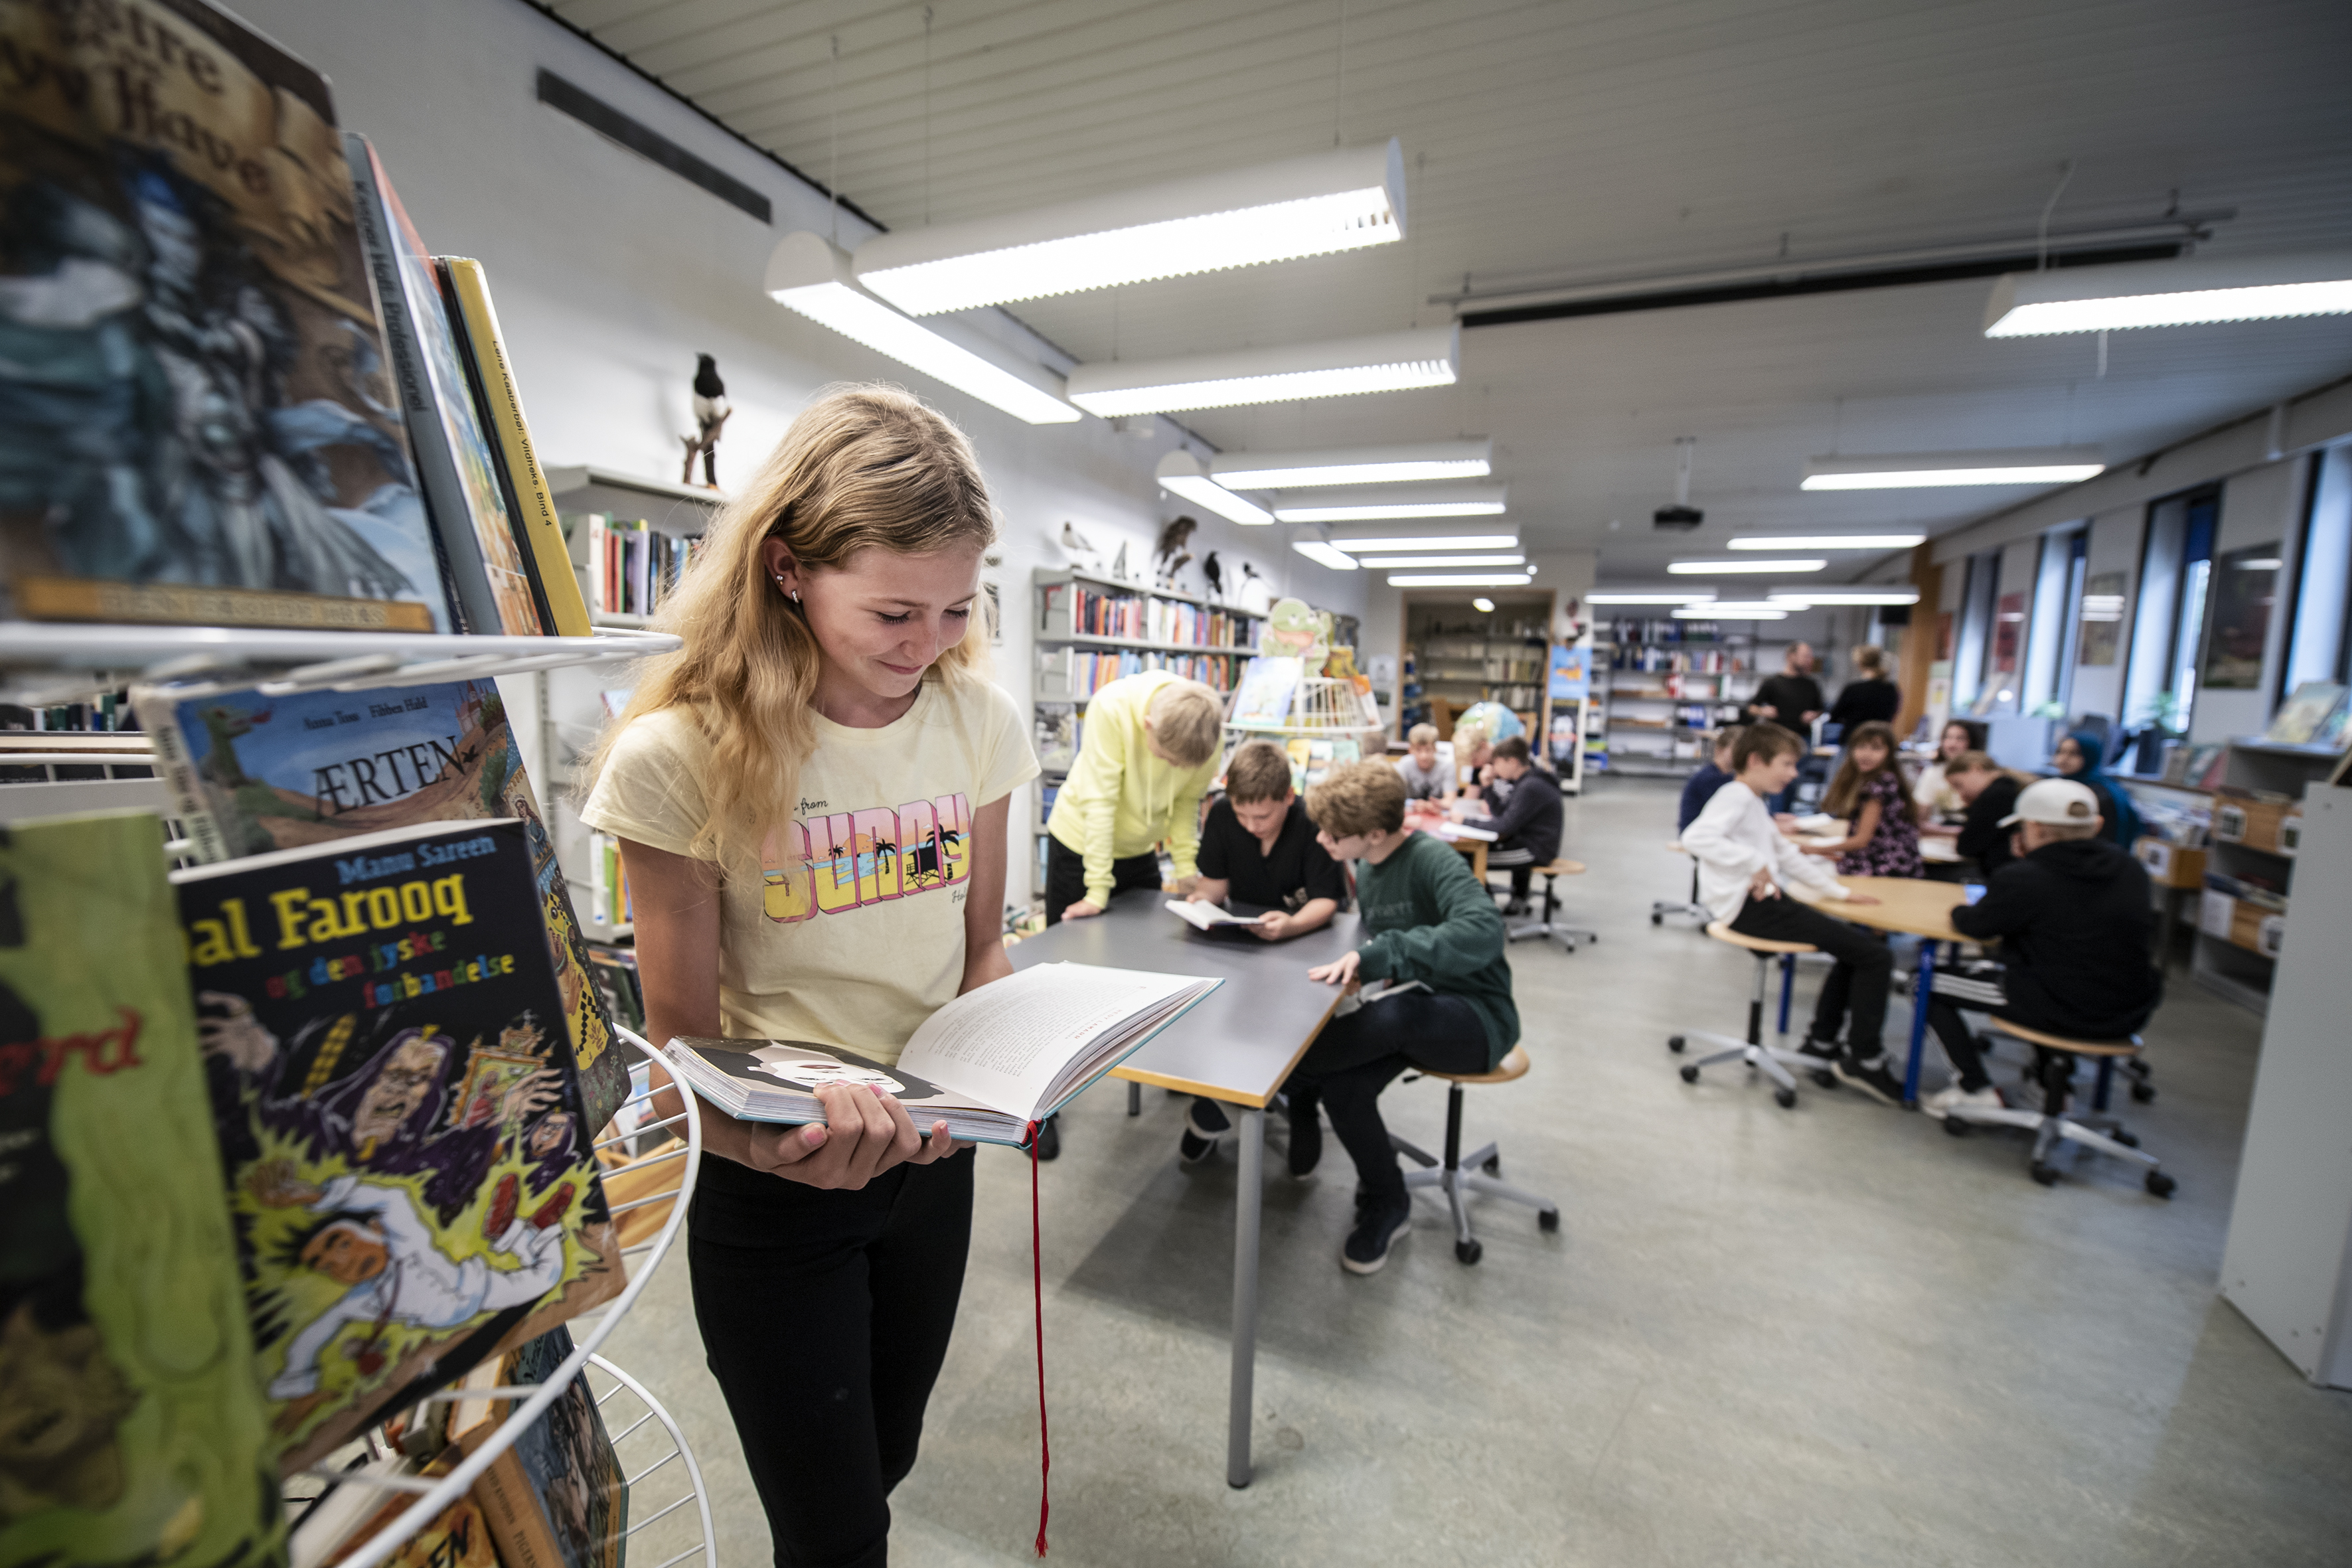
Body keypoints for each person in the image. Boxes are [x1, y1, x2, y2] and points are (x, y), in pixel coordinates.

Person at [579, 385, 1033, 1568]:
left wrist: (1018, 1060)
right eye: (892, 611)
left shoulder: (976, 720)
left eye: (956, 608)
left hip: (931, 1161)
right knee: (832, 1533)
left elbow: (981, 944)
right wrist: (768, 1145)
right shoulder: (680, 754)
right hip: (775, 1183)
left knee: (884, 1459)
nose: (927, 644)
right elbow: (682, 1042)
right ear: (787, 569)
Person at [1287, 761, 1516, 1275]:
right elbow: (1389, 951)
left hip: (1478, 1020)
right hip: (1415, 1007)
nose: (1320, 839)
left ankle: (1282, 1078)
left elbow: (1483, 932)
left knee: (1395, 1015)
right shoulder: (1366, 867)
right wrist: (1367, 971)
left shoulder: (1431, 859)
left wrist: (1384, 958)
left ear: (1373, 833)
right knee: (1343, 1088)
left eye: (1332, 834)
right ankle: (1389, 1201)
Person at [1036, 667, 1224, 1157]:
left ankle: (1166, 1066)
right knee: (1060, 980)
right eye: (1164, 757)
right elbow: (1100, 803)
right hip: (1081, 844)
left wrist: (1188, 873)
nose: (1169, 767)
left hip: (1139, 849)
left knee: (1154, 965)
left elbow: (1185, 807)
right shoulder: (1113, 707)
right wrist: (1097, 890)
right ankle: (1040, 1111)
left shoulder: (1206, 734)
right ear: (1148, 727)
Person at [1682, 724, 1903, 1102]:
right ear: (1756, 761)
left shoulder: (1754, 801)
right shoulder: (1736, 796)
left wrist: (1839, 892)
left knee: (1857, 950)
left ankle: (1821, 1042)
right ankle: (1865, 1060)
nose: (1793, 774)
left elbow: (1784, 854)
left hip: (1762, 902)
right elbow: (1696, 838)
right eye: (1786, 764)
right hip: (1750, 908)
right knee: (1875, 957)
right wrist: (1753, 861)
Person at [1920, 778, 2162, 1118]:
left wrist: (1961, 908)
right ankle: (2050, 1087)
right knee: (2058, 964)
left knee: (1923, 982)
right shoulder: (2131, 869)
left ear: (2033, 828)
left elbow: (1976, 926)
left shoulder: (2026, 876)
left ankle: (1974, 1088)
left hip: (2057, 1005)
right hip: (2128, 1010)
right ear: (2096, 825)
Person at [1177, 740, 1346, 1163]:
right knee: (1223, 1022)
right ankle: (1214, 1101)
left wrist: (1292, 926)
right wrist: (1199, 903)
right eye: (1242, 816)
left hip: (1307, 944)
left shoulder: (1313, 822)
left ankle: (1303, 1105)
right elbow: (1215, 884)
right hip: (1242, 944)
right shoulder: (1221, 815)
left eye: (1263, 816)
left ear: (1288, 797)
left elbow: (1326, 899)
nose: (1252, 826)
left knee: (1305, 1029)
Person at [1450, 734, 1562, 910]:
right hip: (1525, 844)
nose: (1494, 768)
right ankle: (1486, 903)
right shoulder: (1526, 781)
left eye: (1497, 763)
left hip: (1533, 851)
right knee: (1466, 856)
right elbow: (1502, 814)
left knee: (1469, 858)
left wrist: (1464, 821)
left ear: (1512, 762)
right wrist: (1488, 787)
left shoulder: (1530, 786)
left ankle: (1487, 909)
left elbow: (1505, 826)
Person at [1804, 720, 1922, 878]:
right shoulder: (1885, 779)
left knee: (1806, 871)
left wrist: (1815, 850)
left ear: (1889, 753)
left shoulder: (1879, 786)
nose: (1866, 754)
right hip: (1890, 861)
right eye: (1861, 747)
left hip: (1884, 867)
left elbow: (1861, 840)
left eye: (1876, 748)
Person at [1939, 749, 2024, 878]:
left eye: (1959, 785)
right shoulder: (2009, 787)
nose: (1961, 794)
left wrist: (1972, 808)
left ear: (1976, 769)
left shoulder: (1996, 795)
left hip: (2000, 875)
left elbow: (1967, 847)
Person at [2053, 730, 2144, 848]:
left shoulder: (2099, 794)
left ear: (2090, 756)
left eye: (2074, 753)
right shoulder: (2068, 784)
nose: (2064, 759)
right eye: (2061, 752)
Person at [1913, 718, 1988, 821]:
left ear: (1972, 742)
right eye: (1948, 738)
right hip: (1940, 828)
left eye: (1960, 739)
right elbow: (1921, 815)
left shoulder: (1980, 774)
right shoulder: (1933, 773)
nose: (1952, 744)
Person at [1748, 642, 1824, 732]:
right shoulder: (1772, 683)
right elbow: (1751, 708)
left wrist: (1814, 715)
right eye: (1806, 656)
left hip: (1803, 736)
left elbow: (1820, 711)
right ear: (1791, 656)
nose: (1810, 661)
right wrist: (1762, 711)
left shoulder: (1811, 685)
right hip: (1778, 736)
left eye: (1810, 657)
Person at [1678, 726, 1741, 835]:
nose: (1742, 755)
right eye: (1737, 750)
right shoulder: (1710, 778)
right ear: (1720, 750)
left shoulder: (1729, 776)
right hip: (1697, 835)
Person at [1826, 645, 1901, 736]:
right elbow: (1892, 715)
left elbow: (1835, 716)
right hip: (1879, 738)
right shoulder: (1891, 690)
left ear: (1860, 664)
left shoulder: (1853, 689)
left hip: (1854, 738)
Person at [1395, 722, 1453, 800]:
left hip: (1437, 807)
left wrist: (1432, 805)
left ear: (1435, 749)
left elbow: (1450, 800)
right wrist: (1414, 804)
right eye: (1418, 750)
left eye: (1428, 750)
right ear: (1410, 750)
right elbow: (1396, 796)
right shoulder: (1404, 765)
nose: (1424, 756)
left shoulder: (1447, 767)